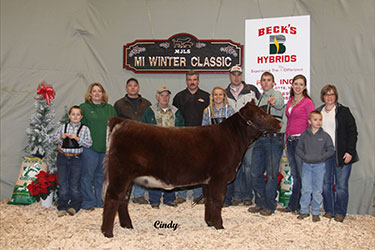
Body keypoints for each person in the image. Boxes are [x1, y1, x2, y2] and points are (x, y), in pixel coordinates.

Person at [317, 85, 358, 222]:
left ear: (336, 96)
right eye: (326, 94)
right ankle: (329, 210)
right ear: (323, 96)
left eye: (332, 94)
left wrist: (350, 151)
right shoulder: (318, 112)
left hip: (341, 154)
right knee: (326, 184)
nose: (329, 97)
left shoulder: (343, 111)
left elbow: (353, 133)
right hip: (325, 155)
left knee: (341, 185)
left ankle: (340, 213)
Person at [248, 71, 285, 216]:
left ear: (273, 83)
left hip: (273, 139)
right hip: (260, 139)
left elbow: (280, 103)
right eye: (263, 80)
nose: (266, 82)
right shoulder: (260, 99)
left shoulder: (276, 95)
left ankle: (270, 205)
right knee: (255, 172)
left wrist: (274, 102)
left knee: (271, 174)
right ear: (260, 83)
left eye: (269, 80)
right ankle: (260, 202)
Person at [141, 86, 184, 209]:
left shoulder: (175, 111)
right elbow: (144, 128)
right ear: (157, 97)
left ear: (169, 97)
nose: (164, 98)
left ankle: (169, 199)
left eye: (166, 95)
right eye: (162, 95)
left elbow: (182, 128)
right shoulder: (150, 111)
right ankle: (154, 200)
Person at [278, 75, 315, 214]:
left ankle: (303, 206)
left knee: (302, 174)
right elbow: (289, 123)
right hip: (290, 140)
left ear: (304, 87)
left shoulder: (307, 103)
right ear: (292, 85)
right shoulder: (290, 102)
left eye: (301, 84)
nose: (298, 86)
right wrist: (286, 141)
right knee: (295, 174)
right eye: (296, 84)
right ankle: (294, 205)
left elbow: (311, 123)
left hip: (301, 141)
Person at [224, 65, 260, 207]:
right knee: (235, 166)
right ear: (230, 76)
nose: (236, 76)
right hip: (232, 138)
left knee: (249, 166)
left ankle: (248, 196)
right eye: (233, 74)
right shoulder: (224, 93)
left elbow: (258, 114)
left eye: (239, 74)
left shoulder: (252, 91)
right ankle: (237, 196)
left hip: (249, 136)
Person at [172, 70, 210, 204]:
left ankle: (198, 195)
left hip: (201, 137)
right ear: (186, 81)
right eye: (189, 79)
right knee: (181, 165)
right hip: (183, 137)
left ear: (198, 81)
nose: (192, 82)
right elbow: (175, 116)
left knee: (200, 166)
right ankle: (181, 194)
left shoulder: (206, 96)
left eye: (194, 79)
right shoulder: (179, 97)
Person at [114, 78, 151, 205]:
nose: (133, 88)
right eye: (130, 86)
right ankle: (124, 193)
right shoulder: (119, 104)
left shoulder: (146, 103)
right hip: (126, 140)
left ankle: (139, 195)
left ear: (138, 88)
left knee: (141, 167)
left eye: (135, 86)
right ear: (126, 88)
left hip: (143, 140)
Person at [80, 83, 117, 211]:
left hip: (105, 148)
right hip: (89, 148)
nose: (97, 93)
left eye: (99, 91)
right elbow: (78, 126)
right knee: (87, 176)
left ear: (103, 93)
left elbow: (115, 128)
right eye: (94, 91)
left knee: (101, 177)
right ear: (90, 94)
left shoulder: (110, 109)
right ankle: (88, 202)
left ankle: (100, 201)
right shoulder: (83, 108)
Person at [295, 111, 335, 222]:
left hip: (319, 166)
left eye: (320, 119)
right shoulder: (304, 135)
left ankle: (316, 212)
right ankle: (304, 211)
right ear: (309, 121)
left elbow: (331, 149)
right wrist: (305, 157)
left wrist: (322, 157)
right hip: (307, 165)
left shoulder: (325, 136)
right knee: (306, 189)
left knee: (317, 190)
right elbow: (298, 149)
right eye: (315, 119)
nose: (318, 122)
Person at [53, 106, 92, 217]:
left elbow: (89, 143)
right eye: (73, 114)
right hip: (63, 157)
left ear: (81, 117)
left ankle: (74, 206)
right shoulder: (63, 127)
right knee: (63, 182)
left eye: (78, 114)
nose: (75, 116)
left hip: (76, 158)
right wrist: (61, 137)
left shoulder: (85, 129)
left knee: (75, 183)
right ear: (69, 116)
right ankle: (62, 206)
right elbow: (54, 139)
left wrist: (78, 139)